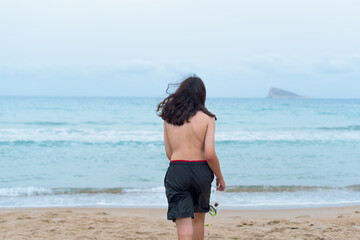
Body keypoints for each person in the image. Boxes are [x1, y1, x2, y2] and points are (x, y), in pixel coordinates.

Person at [157, 75, 225, 240]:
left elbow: (169, 153)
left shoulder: (168, 118)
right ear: (202, 95)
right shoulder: (208, 118)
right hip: (201, 171)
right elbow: (209, 154)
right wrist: (219, 176)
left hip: (177, 169)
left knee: (183, 223)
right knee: (198, 220)